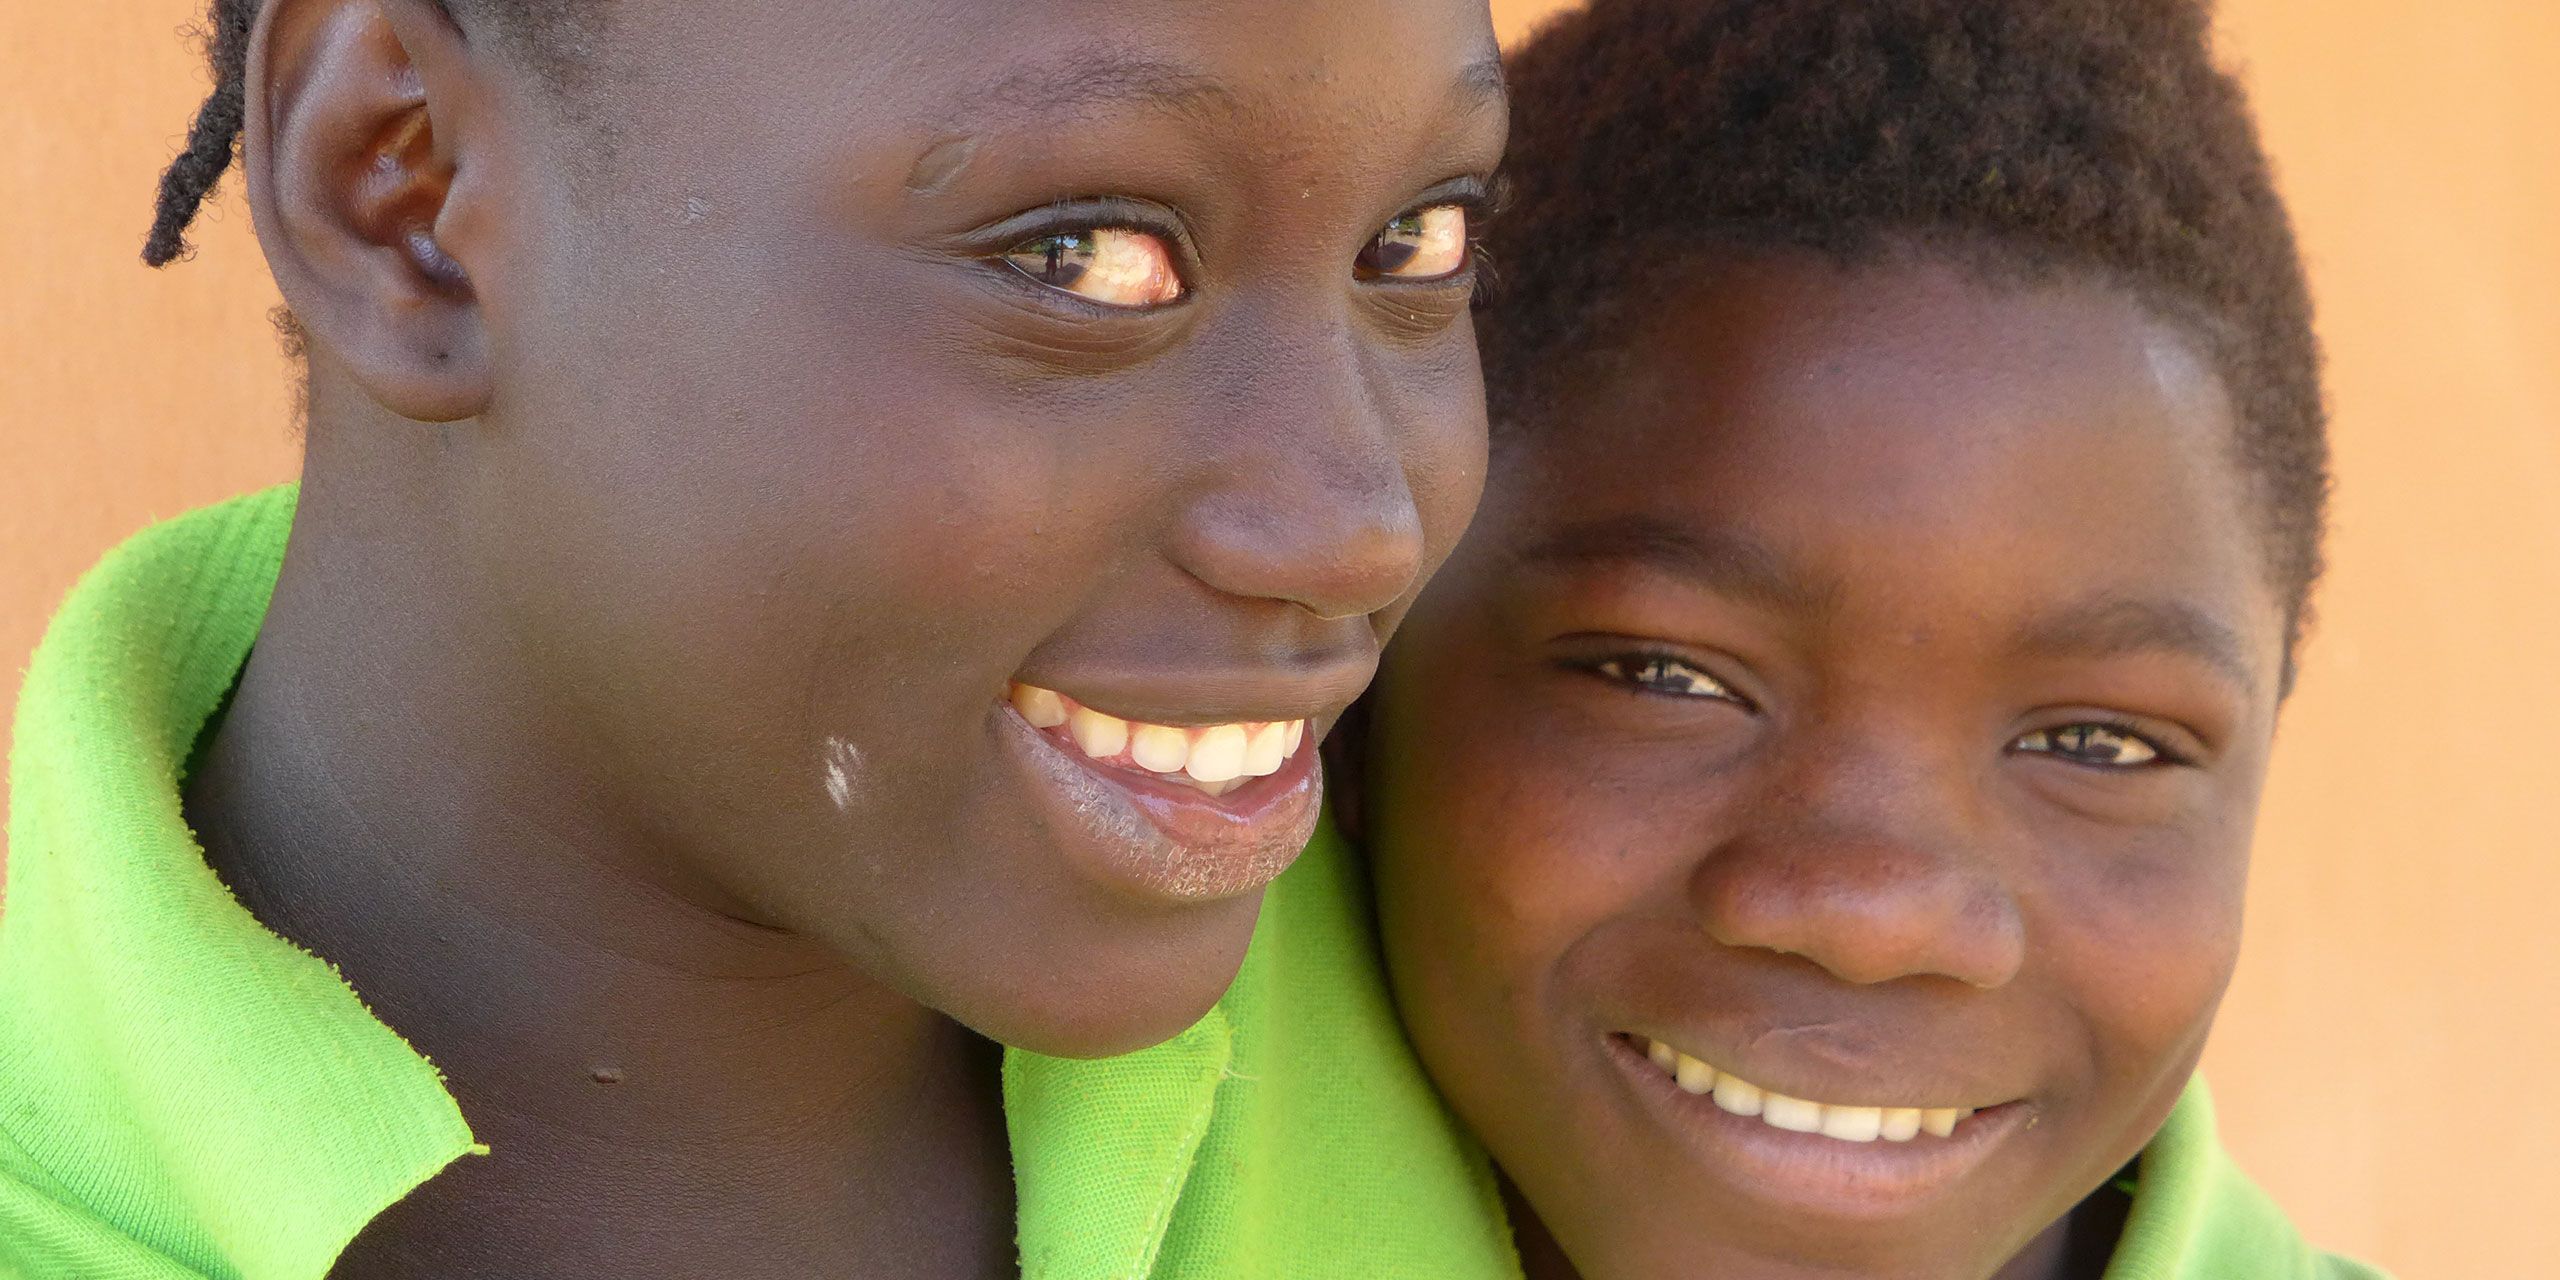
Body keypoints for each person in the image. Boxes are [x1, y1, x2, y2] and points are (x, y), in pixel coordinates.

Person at [0, 0, 1521, 1275]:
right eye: (1082, 256)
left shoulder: (1517, 932)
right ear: (405, 192)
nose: (1361, 533)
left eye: (1417, 242)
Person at [1355, 0, 2386, 1275]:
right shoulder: (1138, 1159)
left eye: (2098, 744)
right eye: (1666, 676)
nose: (1871, 918)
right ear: (1364, 658)